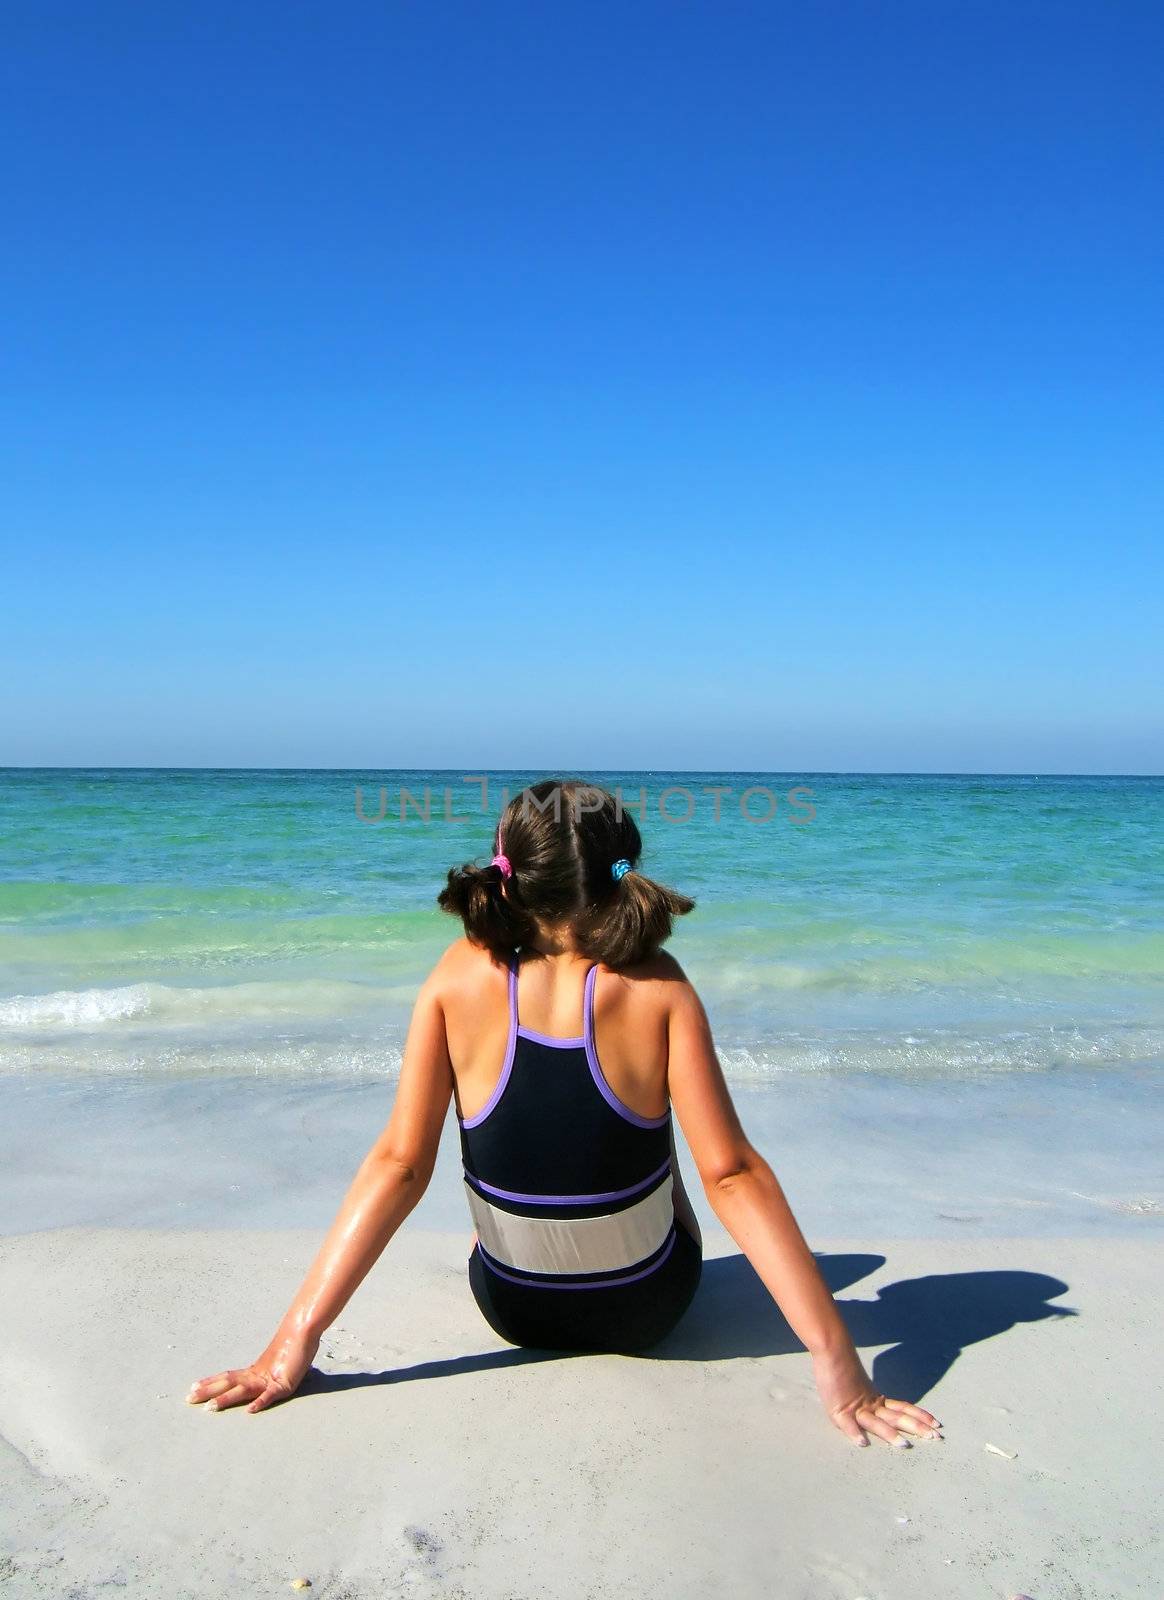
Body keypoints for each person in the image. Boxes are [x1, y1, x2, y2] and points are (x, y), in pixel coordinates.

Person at [187, 780, 941, 1448]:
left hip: (513, 1309)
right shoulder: (661, 988)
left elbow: (399, 1167)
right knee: (668, 1141)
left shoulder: (456, 979)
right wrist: (840, 1364)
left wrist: (291, 1343)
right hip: (650, 1310)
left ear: (507, 878)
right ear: (623, 874)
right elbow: (735, 1177)